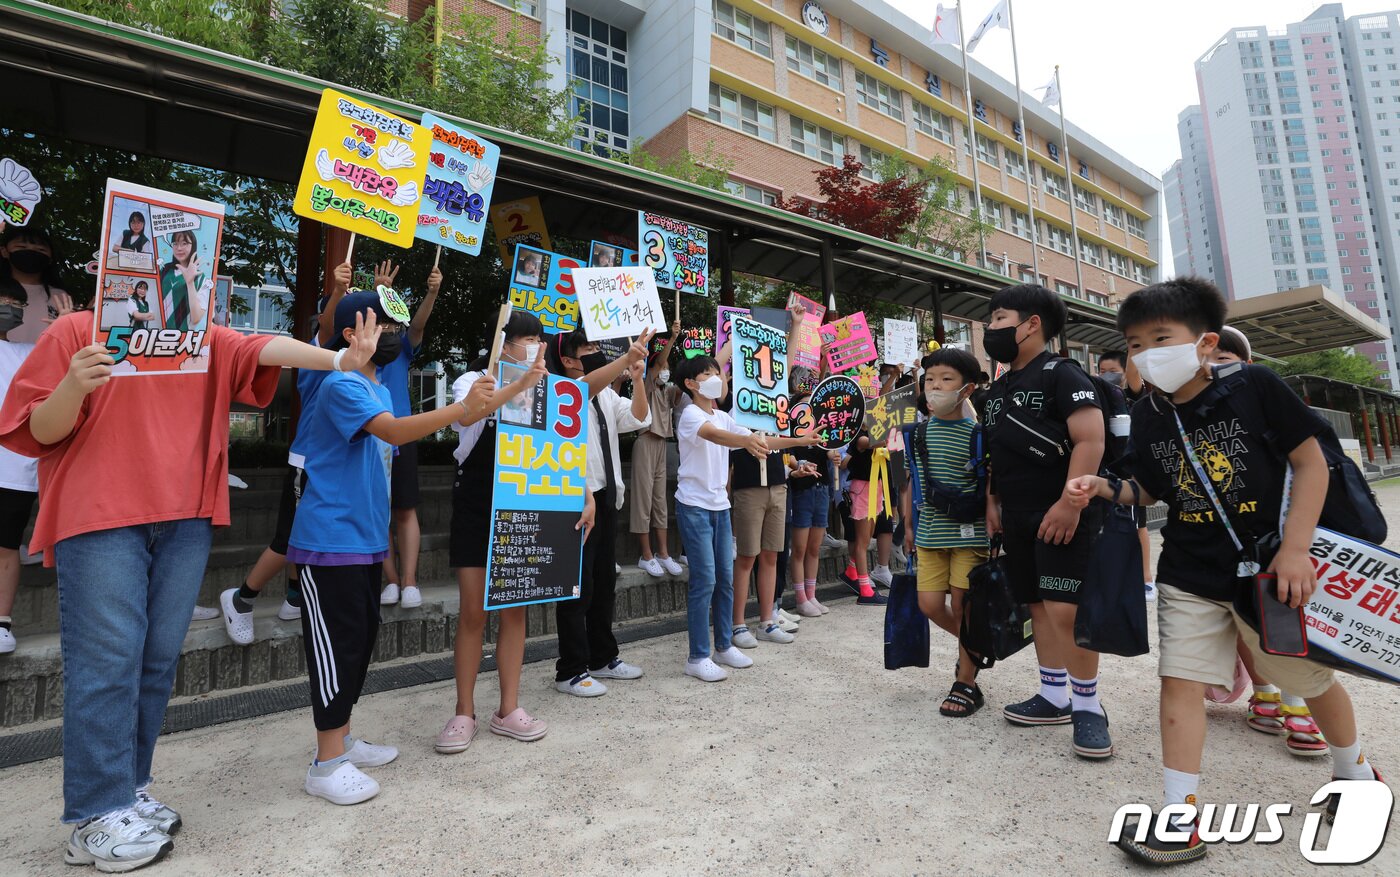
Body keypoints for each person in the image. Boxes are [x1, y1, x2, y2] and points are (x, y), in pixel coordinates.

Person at [0, 282, 379, 872]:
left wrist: (337, 358)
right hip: (99, 518)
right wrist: (75, 382)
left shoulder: (200, 336)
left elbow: (265, 347)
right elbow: (36, 430)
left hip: (184, 519)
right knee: (107, 662)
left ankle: (128, 789)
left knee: (154, 662)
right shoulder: (75, 330)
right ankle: (92, 815)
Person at [1066, 277, 1381, 866]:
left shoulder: (1256, 387)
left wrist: (1294, 550)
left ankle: (1355, 774)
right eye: (1133, 344)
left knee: (1305, 680)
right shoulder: (1148, 414)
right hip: (1189, 570)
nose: (1144, 355)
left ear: (1206, 342)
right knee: (1179, 681)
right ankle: (1178, 816)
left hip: (1267, 571)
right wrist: (1103, 486)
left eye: (1160, 338)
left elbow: (1310, 465)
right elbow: (1148, 489)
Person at [290, 288, 495, 805]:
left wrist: (480, 404)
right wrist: (459, 407)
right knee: (337, 651)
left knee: (357, 648)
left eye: (393, 328)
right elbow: (396, 432)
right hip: (329, 542)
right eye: (381, 327)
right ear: (349, 332)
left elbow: (415, 428)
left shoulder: (376, 385)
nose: (391, 337)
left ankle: (343, 740)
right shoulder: (341, 385)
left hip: (361, 542)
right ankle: (326, 762)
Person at [436, 313, 594, 752]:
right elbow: (473, 411)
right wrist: (520, 382)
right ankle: (463, 712)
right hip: (475, 509)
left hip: (524, 509)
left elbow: (559, 450)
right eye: (526, 339)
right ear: (503, 343)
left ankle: (508, 709)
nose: (534, 347)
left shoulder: (551, 390)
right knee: (472, 613)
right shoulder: (473, 379)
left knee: (515, 612)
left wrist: (584, 493)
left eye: (539, 340)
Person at [981, 283, 1110, 759]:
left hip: (1061, 512)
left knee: (1064, 609)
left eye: (998, 319)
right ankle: (1054, 695)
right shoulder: (997, 388)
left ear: (1031, 323)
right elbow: (997, 452)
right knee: (1037, 605)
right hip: (1015, 512)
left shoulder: (1063, 373)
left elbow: (1090, 439)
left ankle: (1088, 706)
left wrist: (1070, 503)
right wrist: (993, 503)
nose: (991, 328)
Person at [1204, 325, 1328, 756]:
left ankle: (1299, 705)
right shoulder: (1192, 417)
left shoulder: (1267, 404)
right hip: (1223, 541)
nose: (1213, 369)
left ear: (1248, 365)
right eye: (1206, 361)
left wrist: (1296, 546)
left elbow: (1309, 470)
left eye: (1224, 360)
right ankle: (1266, 694)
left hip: (1275, 537)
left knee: (1282, 617)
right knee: (1242, 620)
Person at [219, 260, 355, 644]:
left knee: (305, 534)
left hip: (327, 464)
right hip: (308, 462)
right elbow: (329, 327)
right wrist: (339, 290)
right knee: (289, 538)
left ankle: (295, 598)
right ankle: (242, 599)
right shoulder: (316, 354)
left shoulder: (355, 362)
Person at [672, 356, 815, 681]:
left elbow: (760, 440)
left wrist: (800, 441)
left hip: (720, 506)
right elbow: (719, 437)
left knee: (724, 577)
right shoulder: (691, 415)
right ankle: (697, 656)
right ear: (690, 384)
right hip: (693, 506)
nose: (716, 379)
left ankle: (723, 645)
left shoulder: (723, 415)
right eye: (707, 374)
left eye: (717, 373)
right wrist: (746, 441)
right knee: (704, 580)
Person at [550, 327, 653, 698]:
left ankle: (602, 657)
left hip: (607, 496)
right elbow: (585, 388)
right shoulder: (561, 391)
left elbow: (640, 418)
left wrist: (637, 379)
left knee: (603, 584)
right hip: (576, 498)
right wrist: (626, 359)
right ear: (566, 359)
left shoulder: (607, 394)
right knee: (578, 588)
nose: (596, 352)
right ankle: (570, 669)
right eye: (588, 348)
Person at [901, 348, 988, 717]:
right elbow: (911, 483)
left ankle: (965, 681)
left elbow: (989, 488)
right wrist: (907, 526)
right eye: (930, 379)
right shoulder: (917, 434)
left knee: (963, 605)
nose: (935, 387)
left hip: (970, 534)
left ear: (966, 389)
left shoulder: (979, 435)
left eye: (946, 380)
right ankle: (980, 645)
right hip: (929, 535)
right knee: (931, 606)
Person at [378, 261, 441, 610]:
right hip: (369, 435)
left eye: (390, 318)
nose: (386, 325)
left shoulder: (402, 345)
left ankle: (410, 581)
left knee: (404, 509)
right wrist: (380, 292)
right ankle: (390, 580)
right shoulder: (358, 347)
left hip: (401, 434)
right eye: (380, 316)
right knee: (379, 510)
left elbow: (417, 325)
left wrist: (431, 292)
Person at [631, 322, 685, 578]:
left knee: (660, 501)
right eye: (661, 367)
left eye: (667, 368)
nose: (665, 370)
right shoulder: (649, 384)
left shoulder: (668, 390)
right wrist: (672, 339)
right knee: (643, 500)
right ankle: (646, 555)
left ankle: (663, 553)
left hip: (662, 444)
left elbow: (684, 386)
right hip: (645, 441)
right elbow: (658, 361)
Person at [0, 287, 36, 655]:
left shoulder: (29, 353)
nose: (9, 309)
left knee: (5, 546)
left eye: (17, 305)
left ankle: (1, 621)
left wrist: (65, 325)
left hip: (13, 469)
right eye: (3, 302)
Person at [787, 390, 836, 618]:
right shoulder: (791, 432)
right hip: (802, 490)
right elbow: (790, 457)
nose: (808, 410)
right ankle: (800, 598)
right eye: (803, 406)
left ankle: (811, 594)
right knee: (799, 548)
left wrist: (833, 455)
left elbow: (831, 453)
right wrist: (801, 465)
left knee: (814, 548)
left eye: (812, 406)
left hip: (822, 489)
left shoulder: (824, 431)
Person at [0, 225, 76, 344]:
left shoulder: (61, 296)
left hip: (45, 360)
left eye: (41, 249)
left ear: (50, 257)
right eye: (21, 247)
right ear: (4, 251)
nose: (31, 251)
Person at [158, 229, 210, 331]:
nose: (179, 248)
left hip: (184, 339)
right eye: (175, 244)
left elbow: (196, 318)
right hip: (155, 335)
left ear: (193, 245)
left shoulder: (201, 278)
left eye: (184, 243)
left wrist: (190, 283)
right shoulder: (163, 270)